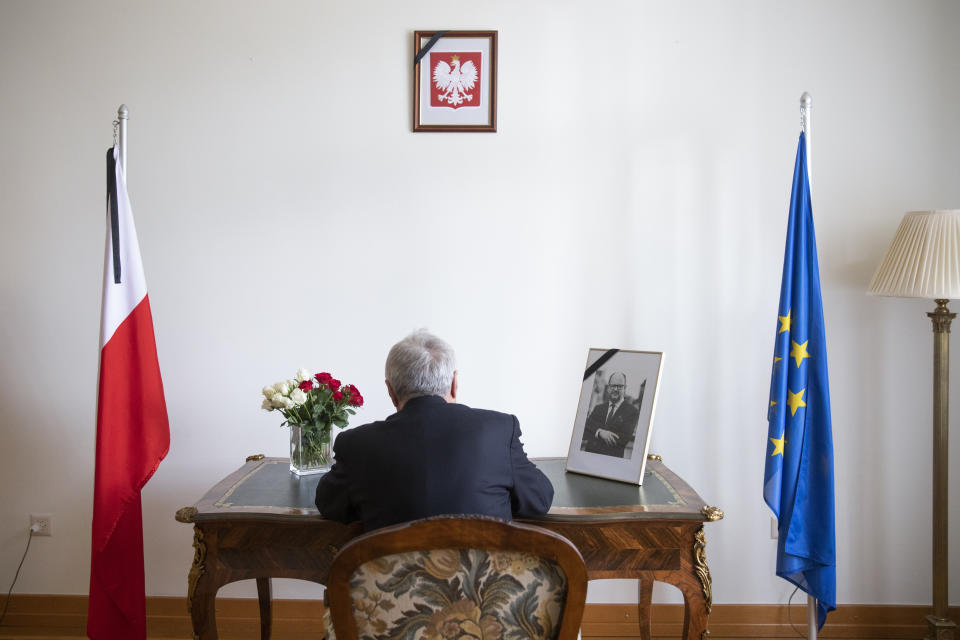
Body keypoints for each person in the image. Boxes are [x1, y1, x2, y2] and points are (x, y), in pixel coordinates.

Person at [314, 330, 554, 531]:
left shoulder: (357, 445)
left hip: (387, 588)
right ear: (454, 383)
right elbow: (540, 500)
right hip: (484, 588)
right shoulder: (500, 430)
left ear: (390, 391)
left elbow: (328, 505)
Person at [581, 371, 640, 458]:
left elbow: (622, 440)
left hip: (611, 462)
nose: (615, 389)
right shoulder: (598, 408)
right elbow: (585, 432)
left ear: (625, 388)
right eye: (613, 386)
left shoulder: (632, 411)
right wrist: (600, 432)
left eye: (619, 386)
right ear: (608, 388)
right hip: (589, 457)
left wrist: (594, 429)